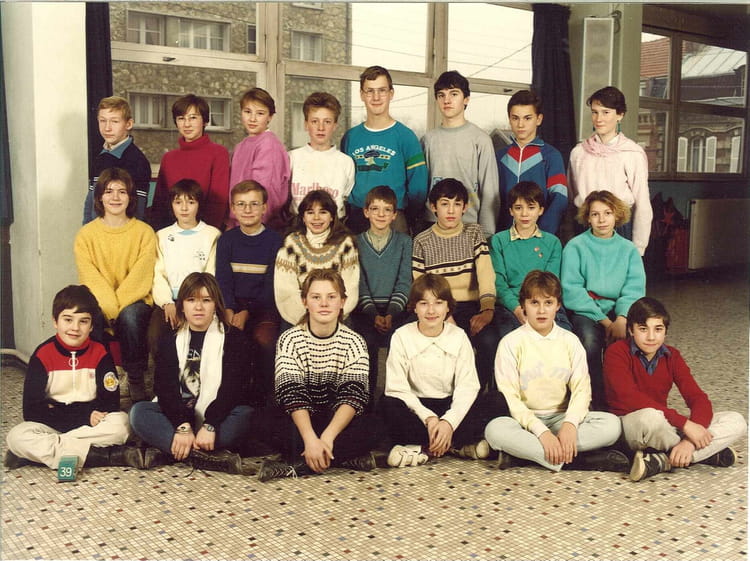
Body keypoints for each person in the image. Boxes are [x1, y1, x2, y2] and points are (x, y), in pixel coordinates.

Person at [484, 271, 629, 473]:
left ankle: (526, 455)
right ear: (523, 305)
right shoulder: (510, 343)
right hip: (524, 421)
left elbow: (582, 389)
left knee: (612, 425)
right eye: (534, 303)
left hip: (561, 418)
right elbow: (511, 398)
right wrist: (541, 432)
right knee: (494, 430)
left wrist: (570, 424)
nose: (541, 310)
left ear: (558, 305)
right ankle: (583, 461)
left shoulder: (570, 341)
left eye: (548, 302)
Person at [254, 269, 381, 482]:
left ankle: (298, 465)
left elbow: (353, 396)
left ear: (342, 302)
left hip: (336, 421)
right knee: (260, 420)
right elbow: (291, 394)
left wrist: (328, 437)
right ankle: (340, 458)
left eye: (331, 297)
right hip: (302, 421)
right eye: (316, 297)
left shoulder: (355, 342)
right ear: (305, 302)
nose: (324, 304)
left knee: (376, 425)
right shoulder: (290, 339)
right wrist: (310, 439)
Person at [604, 297, 747, 482]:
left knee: (736, 420)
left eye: (658, 329)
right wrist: (686, 425)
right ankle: (705, 453)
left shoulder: (672, 356)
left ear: (665, 331)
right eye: (643, 329)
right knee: (651, 418)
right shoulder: (616, 352)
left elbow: (698, 397)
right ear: (631, 330)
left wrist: (689, 441)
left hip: (666, 425)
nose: (651, 337)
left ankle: (666, 459)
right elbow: (629, 397)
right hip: (634, 425)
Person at [5, 285, 143, 475]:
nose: (75, 328)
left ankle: (47, 452)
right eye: (68, 319)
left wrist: (69, 413)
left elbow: (110, 403)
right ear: (55, 321)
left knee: (122, 423)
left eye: (83, 321)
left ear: (92, 326)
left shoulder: (101, 353)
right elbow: (31, 411)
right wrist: (82, 415)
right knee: (16, 436)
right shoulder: (42, 355)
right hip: (54, 426)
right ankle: (104, 456)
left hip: (90, 425)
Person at [129, 273, 254, 475]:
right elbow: (164, 388)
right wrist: (182, 426)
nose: (198, 307)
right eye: (191, 300)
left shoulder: (234, 338)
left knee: (245, 416)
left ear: (216, 304)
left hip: (216, 418)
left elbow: (232, 390)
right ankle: (203, 455)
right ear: (182, 306)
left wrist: (210, 425)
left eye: (206, 300)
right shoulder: (170, 339)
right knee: (138, 413)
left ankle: (173, 451)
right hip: (178, 419)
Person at [382, 273, 504, 468]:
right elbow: (397, 388)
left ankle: (426, 448)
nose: (431, 310)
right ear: (414, 307)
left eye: (438, 303)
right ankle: (454, 446)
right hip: (418, 410)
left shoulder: (459, 336)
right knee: (388, 403)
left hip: (450, 406)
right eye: (423, 303)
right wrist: (429, 418)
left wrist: (448, 422)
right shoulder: (401, 336)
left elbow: (467, 387)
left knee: (496, 400)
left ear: (448, 307)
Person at [74, 167, 156, 403]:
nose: (115, 197)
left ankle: (135, 379)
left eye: (122, 191)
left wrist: (116, 310)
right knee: (92, 316)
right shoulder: (86, 235)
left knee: (130, 316)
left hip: (135, 300)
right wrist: (109, 309)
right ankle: (103, 380)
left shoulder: (144, 233)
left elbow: (140, 278)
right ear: (99, 197)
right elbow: (90, 278)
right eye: (109, 191)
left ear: (130, 197)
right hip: (101, 300)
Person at [561, 190, 646, 410]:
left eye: (607, 213)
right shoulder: (575, 246)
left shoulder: (628, 249)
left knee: (623, 348)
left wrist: (622, 318)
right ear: (587, 218)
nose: (601, 220)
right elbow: (572, 290)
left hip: (620, 310)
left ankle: (622, 401)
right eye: (595, 214)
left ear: (617, 215)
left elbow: (634, 288)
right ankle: (596, 403)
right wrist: (606, 322)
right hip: (587, 310)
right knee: (589, 342)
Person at [412, 178, 499, 390]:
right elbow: (421, 285)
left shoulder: (474, 233)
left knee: (489, 341)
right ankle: (447, 394)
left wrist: (487, 309)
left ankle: (476, 393)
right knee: (447, 346)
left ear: (465, 207)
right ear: (433, 207)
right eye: (444, 204)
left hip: (472, 306)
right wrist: (444, 314)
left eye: (457, 204)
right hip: (438, 308)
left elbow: (486, 274)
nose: (451, 210)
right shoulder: (422, 240)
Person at [216, 180, 282, 405]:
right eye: (241, 204)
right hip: (232, 306)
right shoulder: (226, 240)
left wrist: (247, 312)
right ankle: (232, 399)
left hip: (264, 308)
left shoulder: (275, 241)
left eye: (254, 204)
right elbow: (223, 280)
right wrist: (229, 308)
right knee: (228, 342)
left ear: (264, 207)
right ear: (233, 209)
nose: (247, 209)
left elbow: (271, 286)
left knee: (264, 341)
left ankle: (264, 400)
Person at [341, 65, 428, 234]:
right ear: (361, 95)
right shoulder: (350, 137)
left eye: (382, 90)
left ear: (391, 93)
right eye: (370, 91)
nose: (376, 97)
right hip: (358, 217)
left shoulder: (406, 136)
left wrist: (406, 215)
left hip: (394, 218)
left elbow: (418, 189)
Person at [568, 86, 652, 256]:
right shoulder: (579, 152)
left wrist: (639, 247)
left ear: (620, 115)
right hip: (585, 226)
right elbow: (572, 195)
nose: (599, 119)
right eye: (595, 112)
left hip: (619, 227)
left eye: (606, 112)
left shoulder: (632, 153)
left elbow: (642, 203)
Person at [350, 185, 413, 405]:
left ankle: (395, 400)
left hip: (396, 310)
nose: (381, 214)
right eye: (375, 209)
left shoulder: (404, 242)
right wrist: (373, 314)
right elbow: (359, 283)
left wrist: (391, 313)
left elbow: (404, 281)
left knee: (402, 341)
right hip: (366, 311)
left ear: (395, 215)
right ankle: (367, 403)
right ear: (366, 212)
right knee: (366, 341)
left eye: (387, 210)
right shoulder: (355, 243)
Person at [488, 181, 570, 341]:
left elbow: (551, 284)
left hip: (545, 303)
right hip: (510, 306)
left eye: (531, 207)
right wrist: (517, 309)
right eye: (518, 208)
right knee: (514, 339)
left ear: (541, 210)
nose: (524, 214)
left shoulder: (552, 242)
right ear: (511, 211)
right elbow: (499, 284)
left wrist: (538, 308)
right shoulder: (499, 241)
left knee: (563, 338)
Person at [421, 70, 499, 238]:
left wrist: (486, 233)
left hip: (469, 225)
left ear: (466, 99)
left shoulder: (481, 140)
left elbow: (489, 190)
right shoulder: (428, 140)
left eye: (454, 94)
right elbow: (421, 187)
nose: (447, 100)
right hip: (432, 224)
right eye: (441, 95)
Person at [151, 179, 221, 350]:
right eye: (178, 202)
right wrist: (166, 303)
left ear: (199, 205)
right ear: (171, 205)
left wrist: (194, 301)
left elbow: (211, 274)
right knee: (155, 337)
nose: (184, 208)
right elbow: (158, 274)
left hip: (201, 300)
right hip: (170, 301)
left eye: (190, 202)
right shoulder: (161, 236)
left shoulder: (212, 234)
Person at [274, 190, 359, 328]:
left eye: (323, 212)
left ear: (332, 216)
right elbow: (285, 292)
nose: (316, 218)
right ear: (303, 217)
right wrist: (310, 321)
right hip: (298, 319)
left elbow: (350, 289)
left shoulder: (345, 244)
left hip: (337, 317)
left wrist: (328, 319)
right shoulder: (291, 244)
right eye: (310, 212)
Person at [150, 94, 230, 231]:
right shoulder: (168, 158)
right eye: (181, 118)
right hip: (172, 233)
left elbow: (218, 202)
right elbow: (160, 203)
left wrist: (205, 234)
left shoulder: (218, 153)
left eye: (193, 118)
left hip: (206, 232)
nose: (187, 124)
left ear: (205, 121)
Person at [496, 90, 568, 235]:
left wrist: (543, 235)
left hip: (539, 236)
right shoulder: (500, 156)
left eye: (527, 118)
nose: (520, 124)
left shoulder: (551, 156)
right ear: (509, 119)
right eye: (515, 118)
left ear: (539, 119)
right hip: (503, 237)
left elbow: (559, 199)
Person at [229, 87, 290, 232]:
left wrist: (254, 230)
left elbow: (268, 194)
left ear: (270, 117)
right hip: (240, 224)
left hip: (259, 227)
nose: (252, 119)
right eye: (247, 112)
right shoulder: (241, 146)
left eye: (260, 113)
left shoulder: (269, 145)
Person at [83, 96, 151, 224]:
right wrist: (86, 230)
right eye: (102, 121)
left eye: (114, 121)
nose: (107, 128)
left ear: (128, 124)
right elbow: (90, 203)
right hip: (95, 232)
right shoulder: (101, 157)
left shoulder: (137, 162)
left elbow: (137, 212)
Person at [288, 92, 355, 220]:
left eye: (327, 122)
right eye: (315, 121)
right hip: (298, 226)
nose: (321, 128)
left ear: (335, 125)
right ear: (306, 124)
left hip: (334, 227)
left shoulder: (346, 162)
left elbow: (345, 196)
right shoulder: (292, 158)